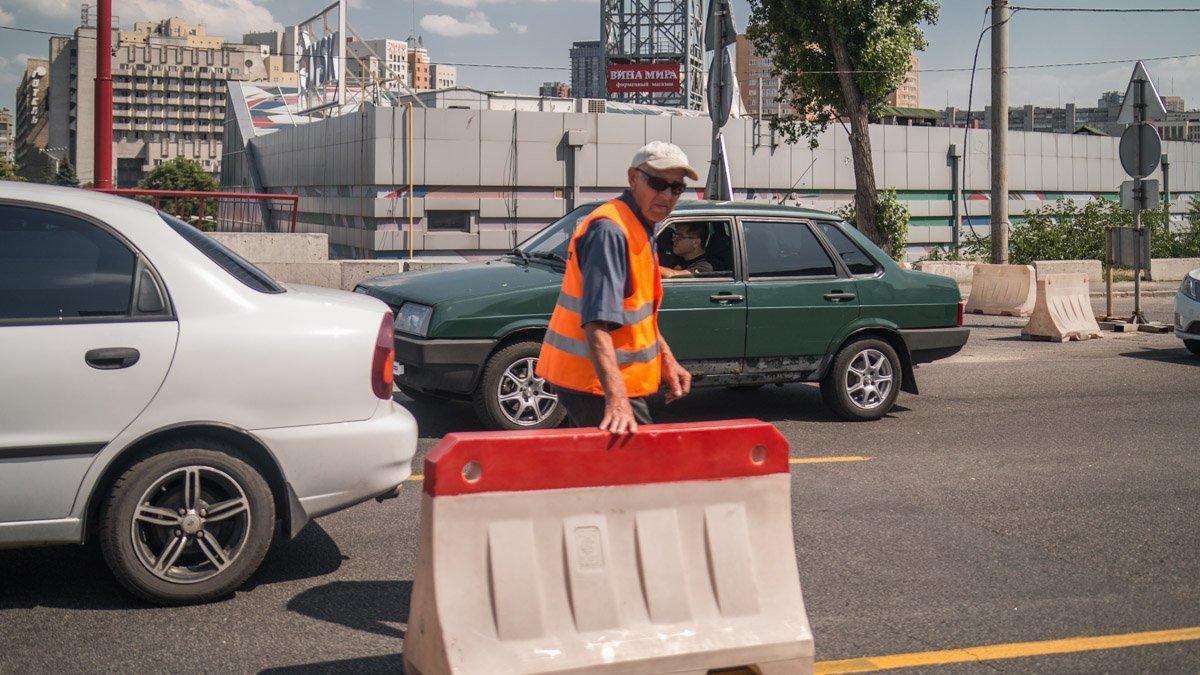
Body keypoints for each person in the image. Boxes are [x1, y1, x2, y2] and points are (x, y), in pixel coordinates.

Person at [536, 141, 695, 434]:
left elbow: (638, 313)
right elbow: (596, 322)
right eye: (658, 183)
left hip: (602, 381)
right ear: (633, 177)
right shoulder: (610, 230)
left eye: (676, 188)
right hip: (597, 384)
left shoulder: (640, 225)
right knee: (635, 471)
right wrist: (617, 398)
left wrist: (666, 360)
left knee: (599, 474)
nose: (667, 195)